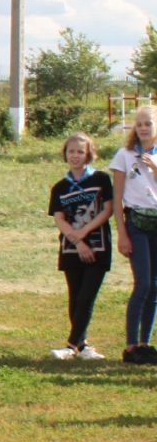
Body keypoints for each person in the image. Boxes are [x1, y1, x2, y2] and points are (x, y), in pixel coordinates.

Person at [51, 133, 115, 360]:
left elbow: (107, 210)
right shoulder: (60, 187)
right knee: (75, 297)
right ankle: (83, 345)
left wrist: (84, 235)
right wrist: (77, 240)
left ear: (88, 153)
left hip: (99, 246)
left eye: (80, 151)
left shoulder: (101, 179)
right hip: (70, 248)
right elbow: (59, 218)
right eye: (71, 151)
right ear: (65, 154)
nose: (75, 156)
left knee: (87, 297)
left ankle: (70, 347)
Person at [111, 105, 157, 364]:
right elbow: (117, 197)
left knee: (155, 286)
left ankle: (145, 343)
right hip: (136, 223)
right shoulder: (124, 155)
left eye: (148, 123)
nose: (143, 128)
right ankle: (130, 346)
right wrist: (122, 234)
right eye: (139, 123)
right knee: (143, 283)